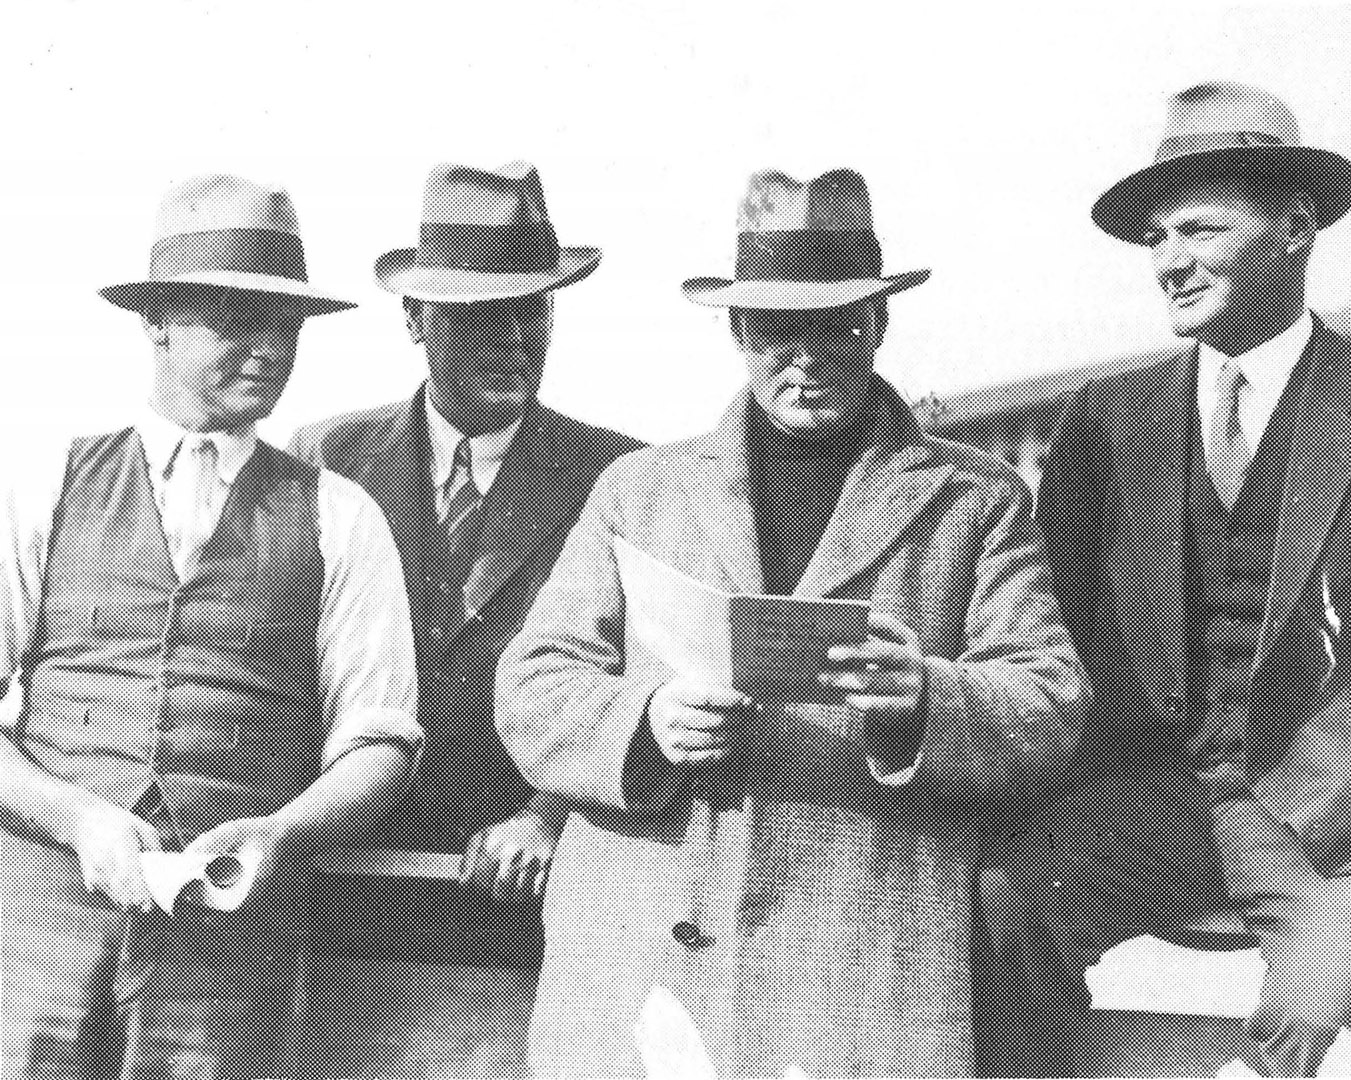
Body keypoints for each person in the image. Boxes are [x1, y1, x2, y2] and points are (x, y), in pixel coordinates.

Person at [495, 167, 1087, 1078]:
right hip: (643, 949)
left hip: (858, 958)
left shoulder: (975, 500)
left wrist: (923, 696)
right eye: (776, 328)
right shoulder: (638, 491)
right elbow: (536, 684)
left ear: (879, 326)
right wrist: (645, 723)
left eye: (836, 325)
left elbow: (1048, 699)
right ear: (736, 331)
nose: (804, 355)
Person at [0, 174, 421, 1080]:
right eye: (235, 320)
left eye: (286, 327)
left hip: (228, 954)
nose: (269, 349)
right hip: (33, 931)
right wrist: (75, 818)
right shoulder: (43, 482)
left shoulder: (338, 518)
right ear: (156, 323)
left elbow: (380, 745)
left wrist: (283, 836)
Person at [977, 81, 1351, 1078]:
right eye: (1154, 239)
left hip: (1324, 817)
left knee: (1308, 1009)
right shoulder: (1103, 419)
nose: (1169, 260)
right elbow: (1043, 633)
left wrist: (1297, 825)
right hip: (1155, 799)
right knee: (1002, 906)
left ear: (1294, 226)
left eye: (1198, 228)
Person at [289, 162, 641, 1074]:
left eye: (534, 312)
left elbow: (643, 676)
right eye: (481, 315)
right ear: (414, 319)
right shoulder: (322, 461)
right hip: (343, 896)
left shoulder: (623, 479)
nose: (514, 340)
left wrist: (547, 815)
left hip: (527, 911)